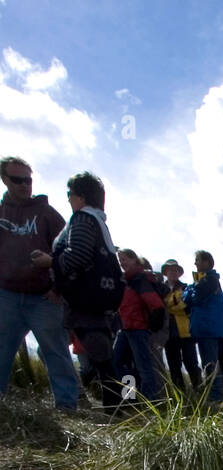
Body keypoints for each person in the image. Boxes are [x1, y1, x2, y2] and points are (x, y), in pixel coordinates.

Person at [0, 155, 80, 412]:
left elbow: (69, 251)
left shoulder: (46, 213)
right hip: (6, 297)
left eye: (28, 180)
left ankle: (67, 406)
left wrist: (58, 288)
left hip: (44, 298)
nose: (25, 185)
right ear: (4, 180)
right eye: (18, 180)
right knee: (1, 351)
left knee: (56, 352)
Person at [40, 170, 124, 412]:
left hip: (87, 302)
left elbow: (77, 256)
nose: (68, 199)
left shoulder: (83, 220)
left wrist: (50, 262)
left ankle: (113, 410)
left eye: (70, 194)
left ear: (81, 197)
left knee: (101, 358)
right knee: (101, 358)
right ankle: (111, 408)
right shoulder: (97, 221)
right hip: (98, 301)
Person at [113, 248, 166, 402]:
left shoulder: (140, 280)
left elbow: (156, 306)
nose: (122, 263)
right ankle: (131, 399)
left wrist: (150, 327)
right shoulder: (126, 281)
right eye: (120, 260)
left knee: (143, 367)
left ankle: (151, 403)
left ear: (134, 260)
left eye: (125, 259)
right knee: (119, 362)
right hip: (125, 329)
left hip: (138, 330)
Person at [182, 250, 223, 403]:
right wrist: (191, 290)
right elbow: (187, 296)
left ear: (207, 262)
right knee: (208, 363)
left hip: (208, 328)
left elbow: (193, 297)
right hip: (204, 328)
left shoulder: (211, 280)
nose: (195, 263)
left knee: (210, 364)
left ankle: (215, 397)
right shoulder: (203, 281)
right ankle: (213, 396)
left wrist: (191, 290)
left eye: (198, 260)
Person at [160, 260, 200, 391]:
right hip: (168, 333)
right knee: (173, 365)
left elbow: (184, 306)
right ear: (165, 272)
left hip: (186, 332)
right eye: (170, 269)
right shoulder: (160, 288)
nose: (173, 272)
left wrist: (167, 304)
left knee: (191, 363)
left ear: (179, 273)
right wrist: (174, 303)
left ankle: (199, 391)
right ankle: (180, 395)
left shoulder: (186, 287)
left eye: (175, 270)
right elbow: (163, 307)